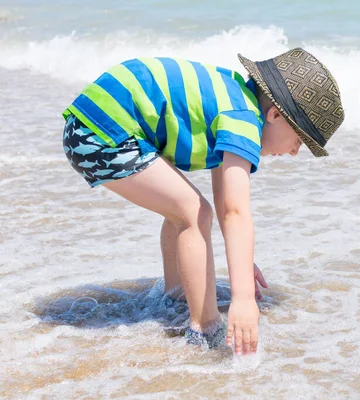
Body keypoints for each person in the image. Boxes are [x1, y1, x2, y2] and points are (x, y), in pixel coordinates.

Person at [61, 47, 345, 355]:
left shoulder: (233, 98)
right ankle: (205, 330)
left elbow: (228, 206)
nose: (294, 152)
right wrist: (244, 299)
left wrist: (240, 263)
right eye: (299, 140)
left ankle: (174, 298)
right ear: (275, 114)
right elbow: (237, 212)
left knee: (183, 210)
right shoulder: (243, 119)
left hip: (93, 123)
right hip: (103, 132)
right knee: (193, 213)